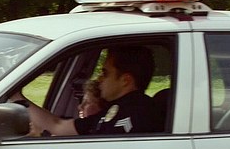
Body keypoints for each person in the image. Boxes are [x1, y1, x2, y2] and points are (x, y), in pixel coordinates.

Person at [16, 46, 163, 136]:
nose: (99, 79)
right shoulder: (114, 110)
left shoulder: (139, 113)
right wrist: (16, 97)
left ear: (125, 80)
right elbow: (57, 125)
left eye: (105, 73)